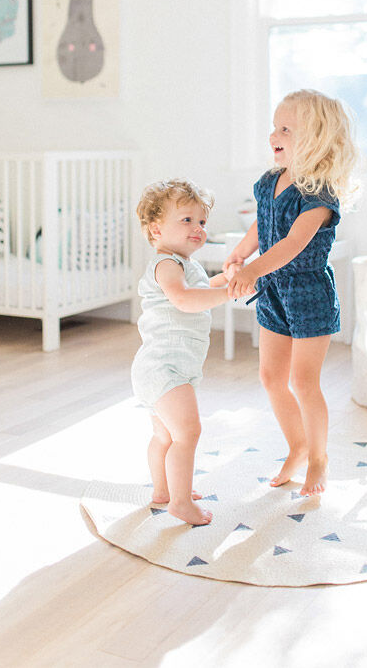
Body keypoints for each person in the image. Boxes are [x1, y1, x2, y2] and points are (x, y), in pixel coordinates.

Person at [224, 89, 358, 497]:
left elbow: (293, 244)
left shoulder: (319, 195)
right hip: (273, 292)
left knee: (303, 382)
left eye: (286, 129)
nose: (273, 135)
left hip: (307, 291)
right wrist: (240, 253)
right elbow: (261, 227)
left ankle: (319, 458)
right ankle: (297, 446)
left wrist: (252, 269)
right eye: (274, 126)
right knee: (270, 376)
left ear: (316, 138)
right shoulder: (269, 182)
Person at [132, 179, 231, 525]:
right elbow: (184, 299)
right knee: (188, 433)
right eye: (186, 220)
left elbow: (200, 289)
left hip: (164, 368)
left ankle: (164, 491)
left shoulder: (186, 266)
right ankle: (180, 503)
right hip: (166, 368)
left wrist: (225, 282)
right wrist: (226, 295)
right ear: (156, 229)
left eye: (201, 222)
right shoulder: (167, 265)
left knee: (165, 436)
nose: (197, 228)